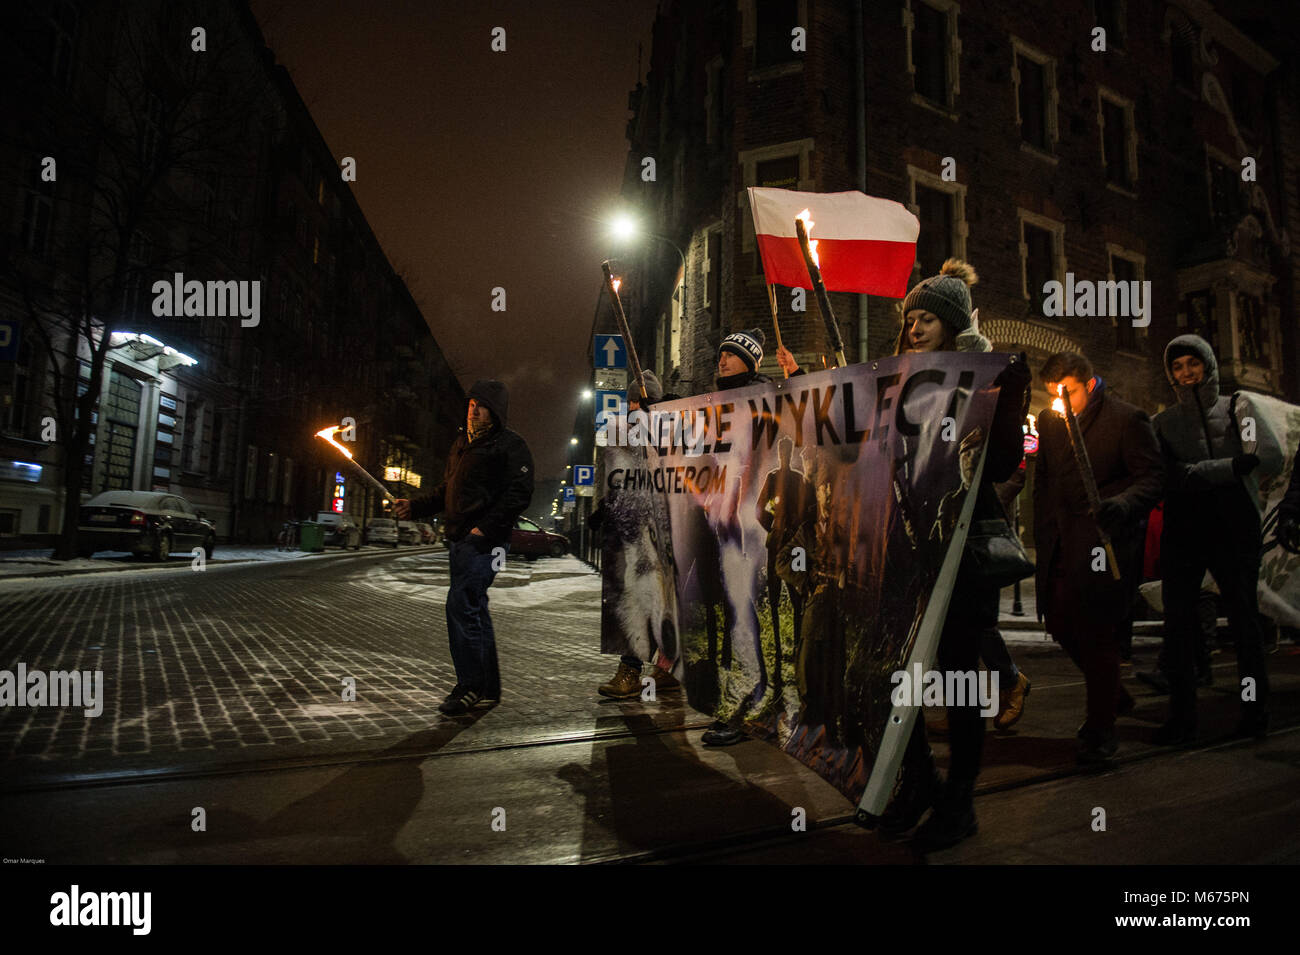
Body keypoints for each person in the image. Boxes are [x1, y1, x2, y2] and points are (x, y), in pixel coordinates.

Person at [878, 259, 1032, 850]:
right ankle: (919, 782)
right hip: (910, 548)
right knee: (901, 676)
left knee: (958, 677)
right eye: (909, 319)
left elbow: (1000, 464)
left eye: (927, 319)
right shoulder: (901, 380)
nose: (914, 328)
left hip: (964, 552)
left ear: (952, 323)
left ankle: (960, 802)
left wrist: (1001, 394)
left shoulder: (992, 374)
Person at [1151, 334, 1281, 743]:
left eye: (1193, 364)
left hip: (1233, 525)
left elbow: (1269, 455)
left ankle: (1254, 712)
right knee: (1178, 626)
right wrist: (1230, 465)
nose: (1186, 373)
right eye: (1177, 367)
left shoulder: (1237, 407)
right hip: (1185, 529)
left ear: (1207, 365)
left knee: (1244, 622)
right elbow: (1167, 476)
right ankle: (1182, 718)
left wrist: (1199, 471)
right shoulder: (1164, 422)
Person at [1034, 351, 1163, 762]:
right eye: (1053, 393)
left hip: (1102, 541)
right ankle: (1113, 692)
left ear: (1089, 385)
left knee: (1098, 629)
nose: (1059, 402)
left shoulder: (1126, 419)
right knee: (1058, 620)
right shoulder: (1050, 422)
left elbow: (1154, 476)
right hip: (1059, 540)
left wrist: (1122, 504)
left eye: (1067, 392)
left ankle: (1101, 730)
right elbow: (1045, 480)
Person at [395, 380, 534, 715]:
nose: (473, 410)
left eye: (481, 405)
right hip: (459, 541)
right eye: (471, 404)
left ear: (495, 411)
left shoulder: (509, 445)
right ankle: (487, 687)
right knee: (474, 608)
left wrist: (482, 529)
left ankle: (469, 685)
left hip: (485, 543)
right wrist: (414, 507)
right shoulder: (462, 444)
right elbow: (448, 490)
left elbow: (519, 493)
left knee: (460, 605)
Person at [699, 328, 802, 745]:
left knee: (757, 613)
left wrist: (800, 379)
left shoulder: (767, 397)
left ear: (750, 361)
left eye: (730, 355)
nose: (721, 361)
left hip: (759, 534)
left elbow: (807, 417)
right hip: (724, 525)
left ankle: (757, 704)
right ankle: (748, 700)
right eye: (719, 354)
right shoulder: (713, 405)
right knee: (736, 612)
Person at [597, 370, 683, 699]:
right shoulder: (626, 434)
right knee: (635, 599)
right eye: (630, 402)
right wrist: (604, 509)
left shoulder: (670, 430)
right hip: (635, 537)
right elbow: (623, 481)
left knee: (661, 603)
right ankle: (633, 670)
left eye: (636, 401)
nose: (631, 406)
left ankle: (665, 668)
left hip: (664, 535)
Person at [754, 435, 812, 694]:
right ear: (779, 454)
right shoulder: (773, 477)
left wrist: (797, 530)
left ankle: (798, 646)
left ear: (791, 453)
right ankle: (777, 647)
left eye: (787, 451)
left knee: (798, 595)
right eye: (781, 452)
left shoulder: (799, 479)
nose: (784, 456)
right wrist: (773, 526)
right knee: (775, 597)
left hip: (795, 545)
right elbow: (759, 509)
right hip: (777, 542)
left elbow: (810, 508)